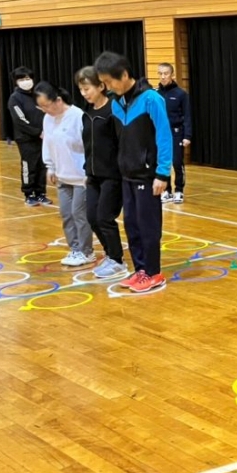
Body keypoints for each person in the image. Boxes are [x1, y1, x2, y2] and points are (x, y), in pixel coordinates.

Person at [94, 51, 173, 294]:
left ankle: (153, 273)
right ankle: (140, 270)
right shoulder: (116, 103)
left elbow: (164, 136)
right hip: (126, 175)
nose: (107, 87)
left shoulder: (151, 99)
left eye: (109, 82)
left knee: (148, 227)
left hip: (148, 176)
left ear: (124, 74)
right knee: (132, 226)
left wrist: (162, 174)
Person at [76, 66, 128, 280]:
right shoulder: (87, 113)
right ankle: (110, 254)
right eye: (81, 89)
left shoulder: (113, 111)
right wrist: (87, 170)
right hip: (93, 175)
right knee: (92, 217)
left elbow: (122, 143)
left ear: (101, 86)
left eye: (87, 88)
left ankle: (118, 260)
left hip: (112, 176)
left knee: (105, 217)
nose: (84, 93)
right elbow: (88, 145)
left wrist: (122, 171)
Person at [35, 82, 94, 268]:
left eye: (46, 105)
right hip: (62, 176)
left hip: (81, 177)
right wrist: (50, 167)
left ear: (58, 100)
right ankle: (75, 249)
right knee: (66, 214)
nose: (45, 110)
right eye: (41, 107)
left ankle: (86, 251)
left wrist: (89, 171)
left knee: (79, 214)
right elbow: (48, 144)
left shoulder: (77, 116)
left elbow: (89, 146)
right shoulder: (47, 119)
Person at [7, 67, 51, 207]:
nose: (26, 81)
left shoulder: (37, 96)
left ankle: (41, 193)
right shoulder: (15, 98)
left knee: (42, 166)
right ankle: (29, 193)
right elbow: (20, 120)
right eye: (22, 79)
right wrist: (37, 132)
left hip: (42, 138)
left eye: (28, 78)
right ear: (16, 82)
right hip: (26, 139)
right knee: (29, 166)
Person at [156, 63, 192, 204]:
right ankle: (166, 191)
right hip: (160, 134)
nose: (163, 76)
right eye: (160, 73)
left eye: (166, 73)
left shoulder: (181, 94)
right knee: (162, 162)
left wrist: (187, 136)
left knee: (177, 162)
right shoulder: (155, 94)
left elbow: (187, 116)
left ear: (172, 75)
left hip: (176, 132)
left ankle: (179, 190)